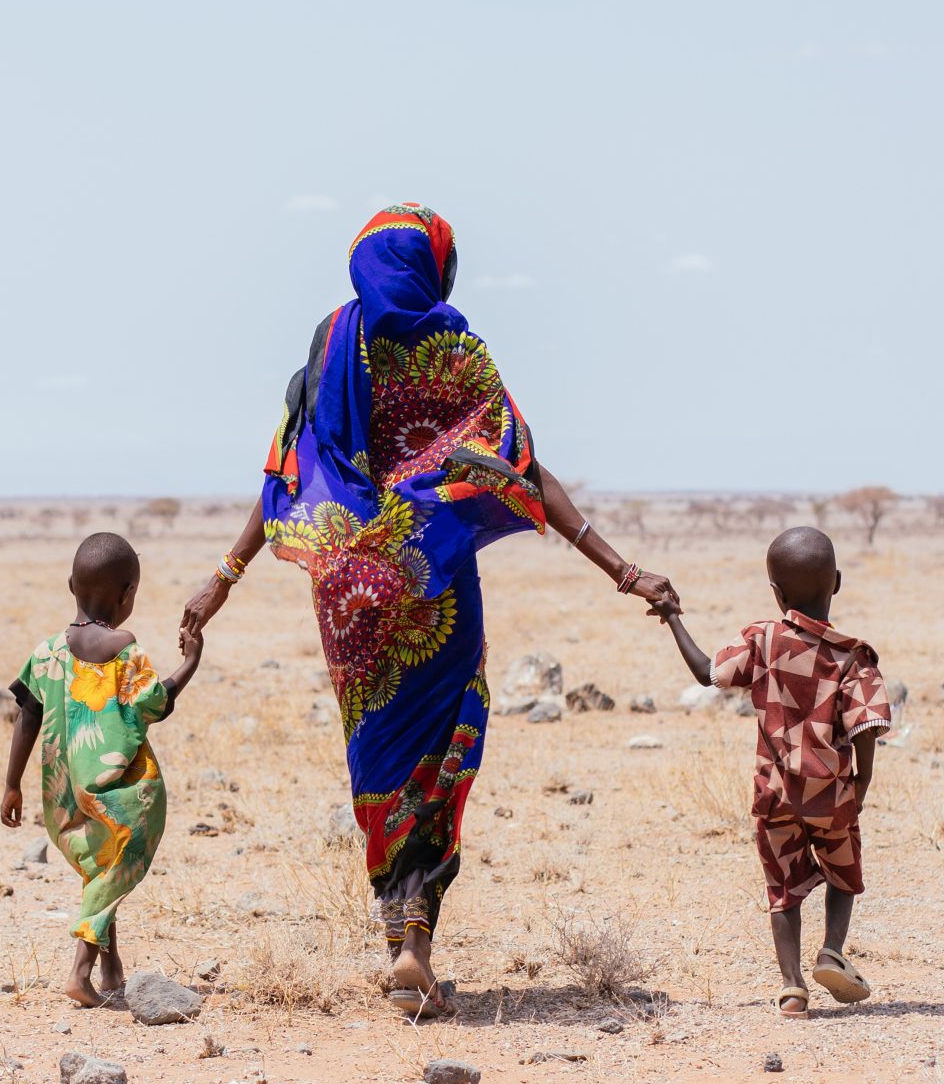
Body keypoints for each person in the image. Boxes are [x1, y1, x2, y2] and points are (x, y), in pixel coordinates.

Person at [181, 203, 677, 1019]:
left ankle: (397, 938)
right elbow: (521, 466)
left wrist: (222, 578)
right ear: (433, 266)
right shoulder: (455, 350)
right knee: (441, 756)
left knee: (378, 758)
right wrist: (624, 571)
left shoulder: (331, 343)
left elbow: (286, 475)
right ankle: (416, 941)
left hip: (349, 594)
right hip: (434, 584)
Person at [663, 525, 892, 1019]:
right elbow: (868, 728)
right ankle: (832, 949)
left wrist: (672, 619)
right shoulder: (853, 659)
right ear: (837, 583)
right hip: (831, 793)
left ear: (776, 592)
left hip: (775, 794)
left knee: (783, 889)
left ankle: (792, 989)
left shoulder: (762, 641)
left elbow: (708, 672)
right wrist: (862, 784)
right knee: (843, 874)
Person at [1, 532, 205, 1008]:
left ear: (70, 584)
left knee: (99, 870)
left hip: (63, 799)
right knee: (117, 865)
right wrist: (191, 660)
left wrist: (12, 785)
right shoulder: (124, 650)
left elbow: (26, 716)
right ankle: (80, 970)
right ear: (128, 594)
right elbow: (157, 703)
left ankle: (112, 967)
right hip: (123, 796)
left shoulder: (46, 653)